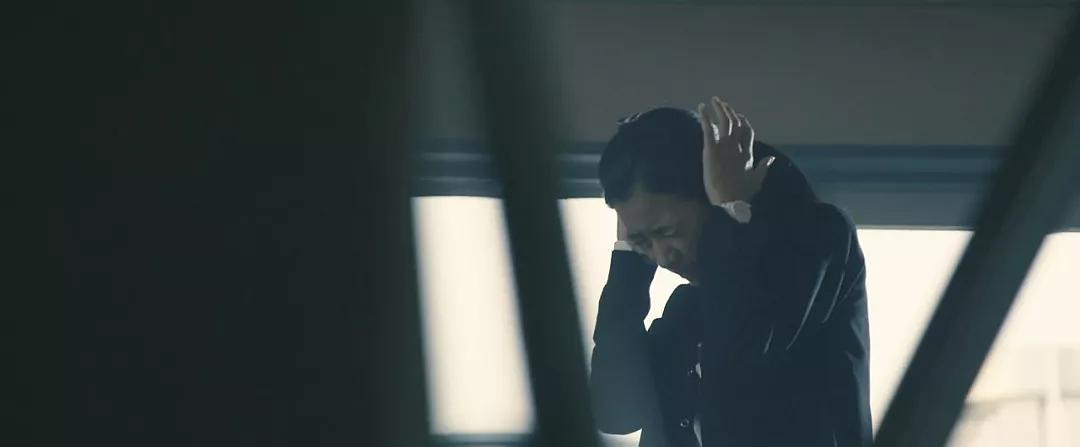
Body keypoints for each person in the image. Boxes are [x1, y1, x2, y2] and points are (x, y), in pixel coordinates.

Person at [589, 98, 872, 447]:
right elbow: (616, 412)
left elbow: (740, 355)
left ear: (709, 194)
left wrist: (730, 212)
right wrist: (629, 260)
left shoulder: (820, 239)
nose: (662, 257)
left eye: (668, 232)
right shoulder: (687, 308)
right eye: (644, 242)